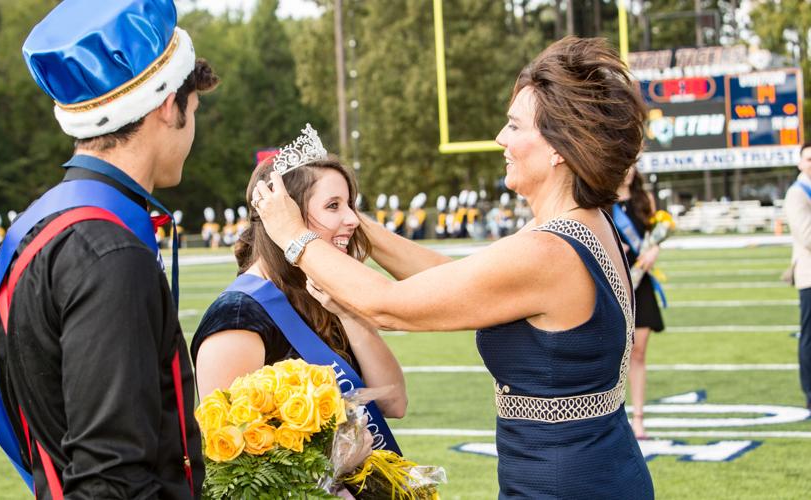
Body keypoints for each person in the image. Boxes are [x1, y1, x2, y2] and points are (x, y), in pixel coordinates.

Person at [253, 37, 653, 498]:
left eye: (514, 125)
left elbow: (388, 306)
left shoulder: (548, 252)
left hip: (566, 482)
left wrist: (295, 237)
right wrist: (348, 218)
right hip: (597, 467)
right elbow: (457, 276)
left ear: (559, 146)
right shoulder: (582, 224)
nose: (500, 138)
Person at [0, 0, 218, 497]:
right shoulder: (109, 253)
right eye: (193, 110)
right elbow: (110, 478)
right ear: (166, 106)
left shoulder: (41, 222)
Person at [191, 125, 407, 456]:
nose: (352, 219)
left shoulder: (321, 294)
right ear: (283, 214)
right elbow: (232, 462)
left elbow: (393, 401)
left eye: (350, 204)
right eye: (333, 206)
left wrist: (348, 314)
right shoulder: (236, 317)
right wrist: (334, 464)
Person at [613, 166, 665, 438]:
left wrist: (655, 249)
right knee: (615, 353)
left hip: (641, 282)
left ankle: (639, 417)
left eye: (633, 164)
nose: (629, 170)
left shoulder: (645, 200)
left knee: (639, 352)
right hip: (614, 283)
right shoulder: (602, 202)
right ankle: (614, 416)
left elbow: (655, 234)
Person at [784, 142, 811, 410]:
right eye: (809, 159)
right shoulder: (797, 193)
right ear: (800, 163)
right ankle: (810, 393)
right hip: (809, 275)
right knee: (809, 337)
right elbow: (806, 235)